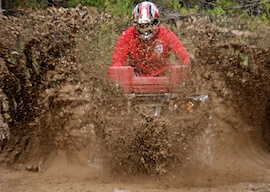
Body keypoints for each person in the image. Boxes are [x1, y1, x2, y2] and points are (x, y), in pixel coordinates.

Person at [111, 1, 190, 77]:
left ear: (156, 22)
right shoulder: (128, 36)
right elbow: (117, 61)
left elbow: (183, 56)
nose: (146, 29)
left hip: (163, 78)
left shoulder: (166, 34)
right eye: (142, 26)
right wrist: (118, 73)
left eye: (149, 25)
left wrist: (186, 70)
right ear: (135, 24)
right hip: (137, 79)